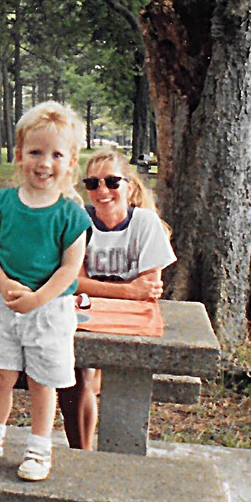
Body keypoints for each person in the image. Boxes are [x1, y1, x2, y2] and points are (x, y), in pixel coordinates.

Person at [0, 101, 91, 481]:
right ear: (19, 155)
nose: (44, 163)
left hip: (49, 311)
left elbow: (69, 267)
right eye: (35, 152)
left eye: (56, 154)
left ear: (71, 160)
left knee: (42, 383)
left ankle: (38, 448)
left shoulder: (71, 214)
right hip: (3, 305)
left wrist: (38, 298)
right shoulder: (1, 204)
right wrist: (4, 284)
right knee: (0, 376)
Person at [59, 149, 176, 450]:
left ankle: (121, 453)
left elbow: (149, 287)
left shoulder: (145, 223)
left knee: (122, 371)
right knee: (74, 372)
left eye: (112, 182)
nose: (102, 191)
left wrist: (100, 288)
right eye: (92, 183)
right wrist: (126, 289)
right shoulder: (79, 221)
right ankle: (81, 452)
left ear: (130, 186)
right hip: (86, 314)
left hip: (132, 321)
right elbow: (73, 283)